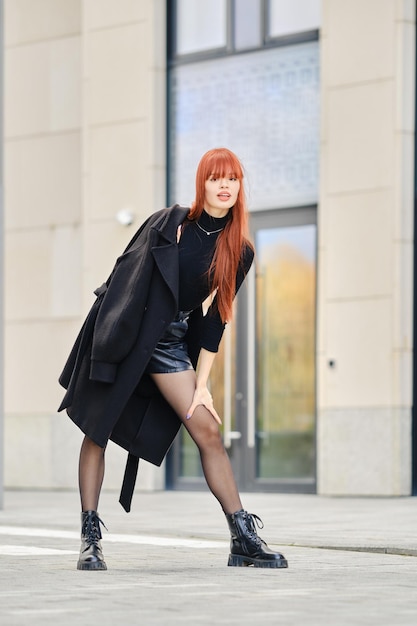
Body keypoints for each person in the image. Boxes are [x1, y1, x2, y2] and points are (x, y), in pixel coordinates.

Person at [58, 147, 288, 571]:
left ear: (240, 187)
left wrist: (202, 386)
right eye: (216, 178)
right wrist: (104, 336)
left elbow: (217, 319)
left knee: (209, 431)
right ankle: (90, 540)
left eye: (233, 179)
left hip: (169, 344)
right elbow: (122, 275)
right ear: (202, 183)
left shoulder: (240, 250)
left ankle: (243, 537)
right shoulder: (171, 222)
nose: (225, 186)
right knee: (97, 428)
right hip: (126, 333)